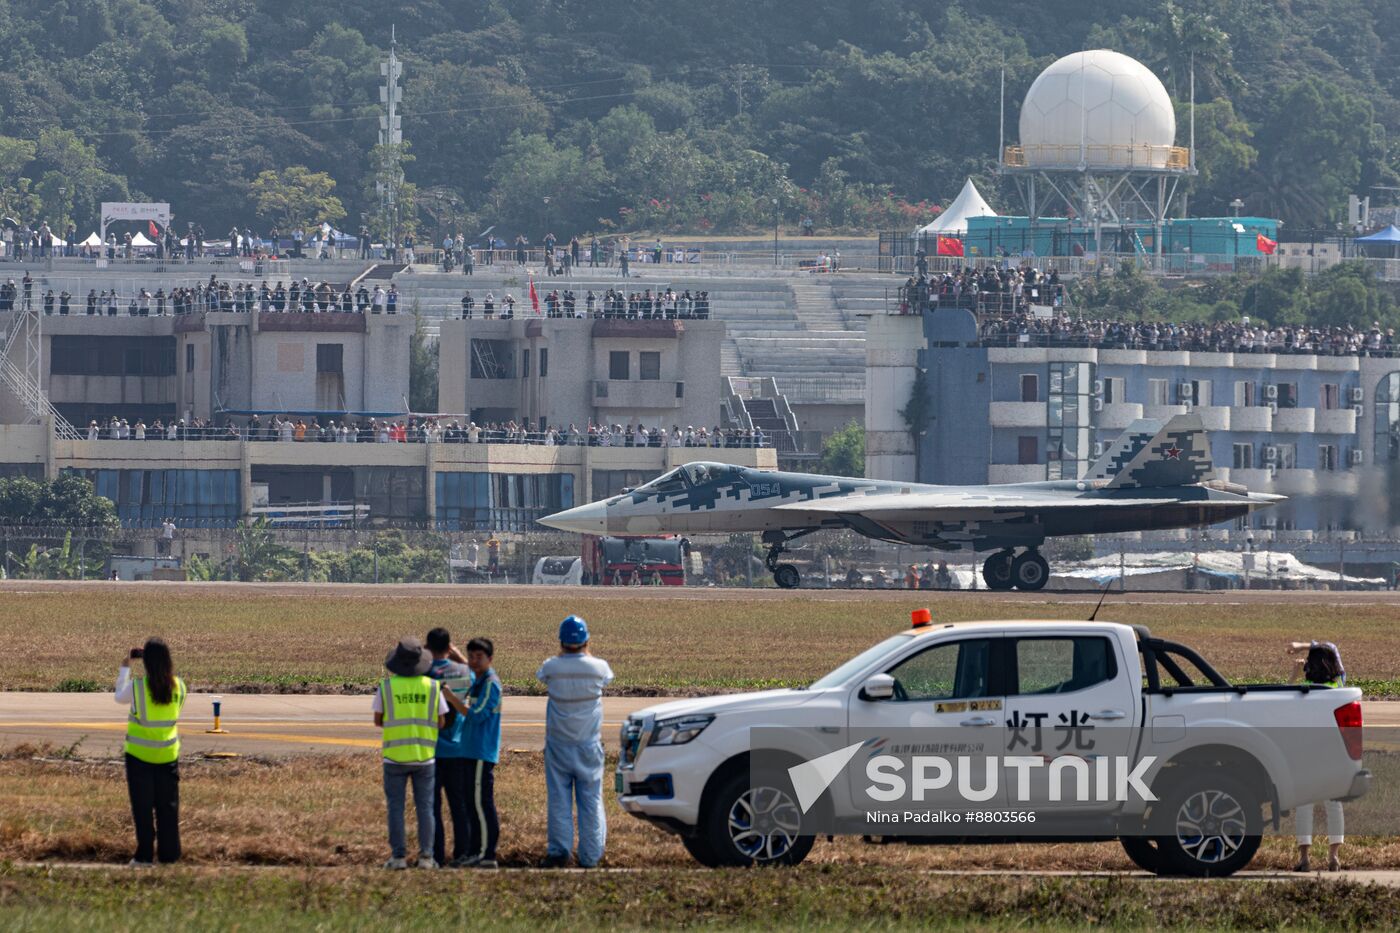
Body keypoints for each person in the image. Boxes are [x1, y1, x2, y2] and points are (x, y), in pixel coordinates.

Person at [536, 616, 613, 868]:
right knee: (590, 800)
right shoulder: (599, 667)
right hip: (588, 744)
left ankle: (559, 852)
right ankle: (591, 856)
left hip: (558, 743)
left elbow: (542, 676)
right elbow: (607, 678)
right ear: (586, 640)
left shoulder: (552, 666)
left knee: (559, 799)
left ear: (561, 641)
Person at [374, 637, 451, 869]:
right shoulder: (432, 687)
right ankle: (426, 857)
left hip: (394, 757)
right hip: (425, 757)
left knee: (395, 808)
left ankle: (398, 857)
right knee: (426, 808)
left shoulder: (387, 687)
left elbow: (379, 720)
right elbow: (441, 722)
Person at [116, 637, 186, 866]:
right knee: (168, 809)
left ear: (145, 662)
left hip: (139, 757)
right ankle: (170, 856)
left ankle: (144, 855)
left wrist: (126, 665)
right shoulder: (179, 687)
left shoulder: (137, 687)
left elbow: (119, 697)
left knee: (143, 810)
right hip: (168, 756)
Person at [1289, 640, 1347, 871]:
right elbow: (1332, 647)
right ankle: (1333, 857)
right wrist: (1305, 644)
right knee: (1335, 804)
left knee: (1304, 804)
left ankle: (1304, 858)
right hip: (1333, 752)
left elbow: (1283, 701)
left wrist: (1294, 674)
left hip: (1307, 752)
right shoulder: (1339, 688)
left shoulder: (1302, 691)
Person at [425, 628, 475, 868]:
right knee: (460, 805)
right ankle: (462, 852)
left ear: (427, 647)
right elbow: (482, 679)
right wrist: (460, 658)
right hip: (458, 748)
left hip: (430, 749)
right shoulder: (464, 672)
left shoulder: (423, 673)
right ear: (449, 647)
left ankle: (435, 855)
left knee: (431, 807)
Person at [458, 636, 503, 868]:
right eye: (471, 656)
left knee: (481, 803)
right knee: (470, 803)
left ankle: (487, 854)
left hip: (480, 752)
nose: (474, 661)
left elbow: (476, 715)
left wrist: (452, 700)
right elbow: (467, 666)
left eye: (479, 657)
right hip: (469, 751)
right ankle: (475, 851)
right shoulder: (478, 680)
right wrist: (454, 652)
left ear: (490, 659)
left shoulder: (490, 684)